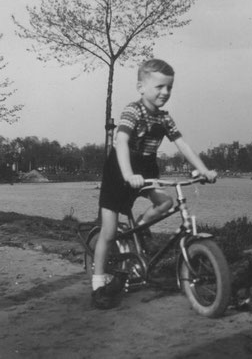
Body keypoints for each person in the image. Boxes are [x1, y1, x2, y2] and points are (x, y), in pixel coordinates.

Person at [92, 58, 217, 309]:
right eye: (159, 87)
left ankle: (139, 227)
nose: (165, 92)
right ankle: (98, 282)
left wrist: (203, 169)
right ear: (141, 87)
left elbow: (181, 144)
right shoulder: (132, 111)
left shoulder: (164, 118)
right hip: (120, 168)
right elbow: (122, 143)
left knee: (166, 202)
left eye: (169, 87)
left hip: (146, 166)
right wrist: (128, 175)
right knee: (109, 230)